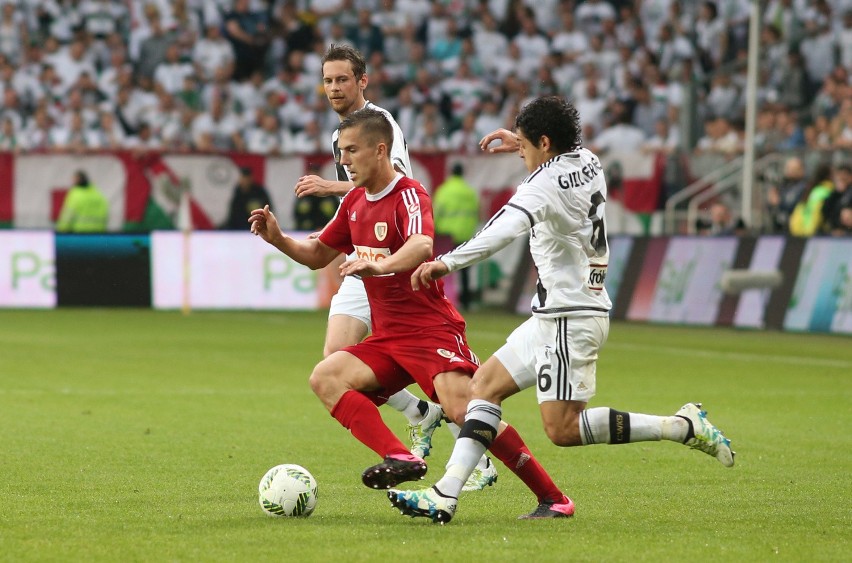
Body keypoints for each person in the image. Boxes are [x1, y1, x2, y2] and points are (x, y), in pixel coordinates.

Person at [388, 96, 735, 524]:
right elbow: (550, 158)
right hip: (554, 313)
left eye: (527, 145)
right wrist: (520, 139)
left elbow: (502, 230)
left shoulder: (540, 187)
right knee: (482, 388)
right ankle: (446, 493)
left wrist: (447, 261)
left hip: (572, 318)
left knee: (563, 429)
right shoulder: (588, 159)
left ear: (546, 142)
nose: (522, 153)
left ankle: (682, 427)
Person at [249, 109, 567, 518]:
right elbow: (316, 255)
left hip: (429, 331)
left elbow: (421, 245)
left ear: (380, 150)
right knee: (326, 376)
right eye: (341, 151)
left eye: (352, 151)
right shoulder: (354, 203)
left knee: (463, 410)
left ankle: (553, 497)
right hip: (388, 337)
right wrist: (278, 239)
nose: (343, 161)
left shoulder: (410, 194)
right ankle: (402, 458)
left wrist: (379, 265)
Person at [291, 44, 496, 490]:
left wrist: (331, 188)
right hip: (362, 257)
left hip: (390, 262)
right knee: (333, 363)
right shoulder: (340, 133)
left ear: (362, 81)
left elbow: (391, 182)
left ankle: (477, 459)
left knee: (438, 380)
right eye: (327, 81)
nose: (333, 88)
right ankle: (420, 415)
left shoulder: (384, 126)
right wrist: (334, 232)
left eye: (342, 79)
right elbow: (360, 198)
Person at [433, 162, 480, 310]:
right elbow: (477, 212)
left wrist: (434, 230)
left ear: (451, 172)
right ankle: (465, 301)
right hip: (466, 233)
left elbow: (437, 211)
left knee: (444, 268)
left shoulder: (444, 190)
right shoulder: (470, 191)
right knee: (464, 270)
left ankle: (444, 299)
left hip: (446, 235)